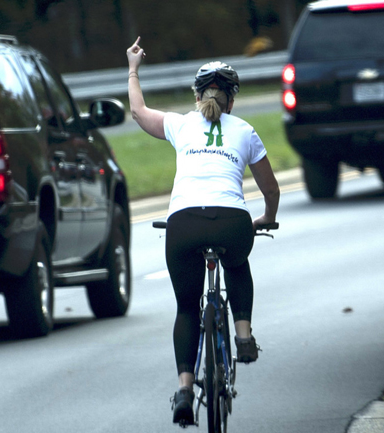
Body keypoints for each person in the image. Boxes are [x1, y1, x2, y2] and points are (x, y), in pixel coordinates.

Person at [126, 37, 280, 426]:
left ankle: (183, 388)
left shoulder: (180, 124)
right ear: (231, 100)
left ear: (198, 96)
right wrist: (266, 217)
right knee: (238, 262)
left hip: (183, 223)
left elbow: (138, 111)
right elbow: (271, 189)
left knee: (185, 307)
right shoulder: (245, 130)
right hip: (232, 222)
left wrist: (133, 68)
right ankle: (243, 334)